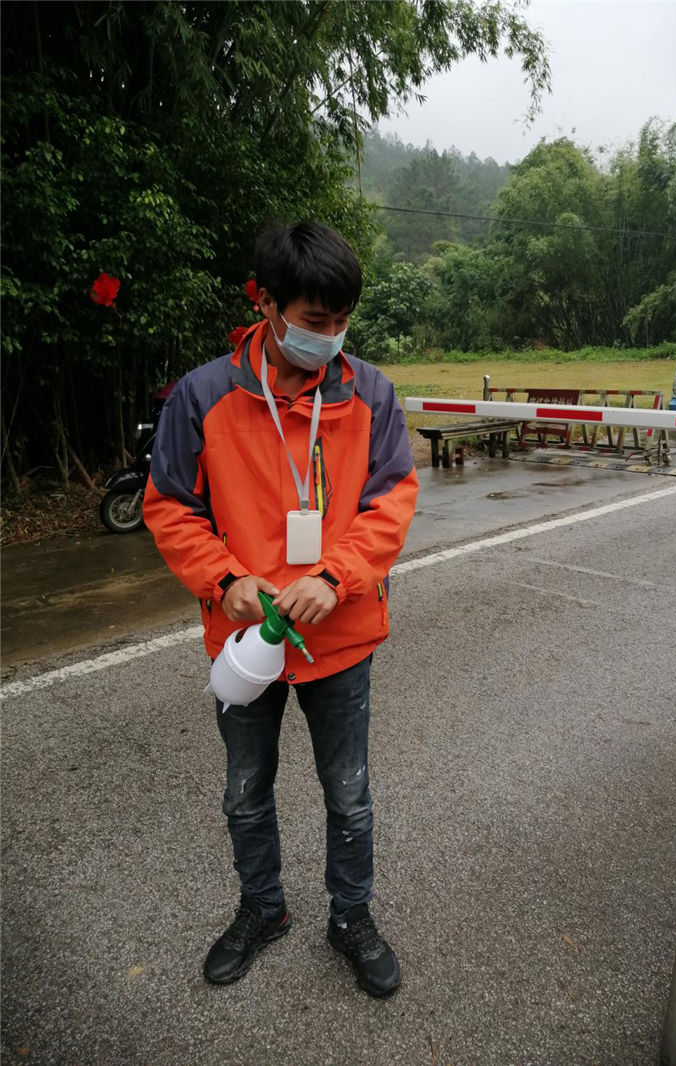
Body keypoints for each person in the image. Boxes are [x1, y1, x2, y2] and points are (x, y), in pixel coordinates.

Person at [143, 220, 418, 997]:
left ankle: (351, 917)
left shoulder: (369, 393)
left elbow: (392, 500)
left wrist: (335, 577)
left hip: (341, 636)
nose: (328, 338)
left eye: (341, 323)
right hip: (246, 642)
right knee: (244, 791)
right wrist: (223, 579)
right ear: (264, 303)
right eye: (313, 320)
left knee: (350, 795)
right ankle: (262, 909)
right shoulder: (203, 396)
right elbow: (170, 505)